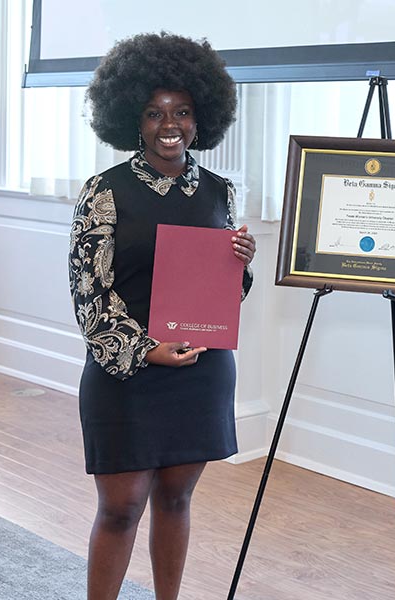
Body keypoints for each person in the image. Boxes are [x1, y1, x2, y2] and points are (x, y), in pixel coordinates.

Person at [68, 32, 255, 600]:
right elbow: (88, 292)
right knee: (120, 508)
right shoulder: (104, 191)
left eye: (182, 112)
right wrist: (145, 348)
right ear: (132, 118)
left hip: (200, 371)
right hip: (126, 371)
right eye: (154, 113)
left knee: (176, 498)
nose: (168, 124)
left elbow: (223, 291)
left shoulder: (221, 192)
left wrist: (240, 267)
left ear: (203, 118)